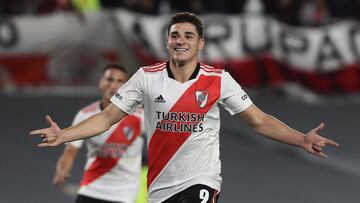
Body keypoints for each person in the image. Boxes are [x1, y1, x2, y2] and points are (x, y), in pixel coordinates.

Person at [31, 12, 339, 203]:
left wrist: (301, 139)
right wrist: (66, 135)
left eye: (188, 36)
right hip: (159, 187)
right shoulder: (146, 78)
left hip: (202, 180)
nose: (181, 41)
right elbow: (106, 118)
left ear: (201, 43)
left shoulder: (219, 81)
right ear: (166, 41)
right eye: (175, 35)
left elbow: (258, 120)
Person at [52, 64, 146, 203]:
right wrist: (62, 170)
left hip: (124, 193)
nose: (113, 85)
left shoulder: (140, 116)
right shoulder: (85, 115)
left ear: (127, 86)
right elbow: (70, 151)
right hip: (91, 189)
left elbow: (165, 140)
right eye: (109, 79)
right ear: (100, 82)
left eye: (120, 81)